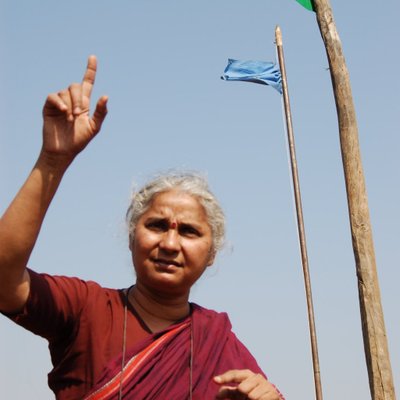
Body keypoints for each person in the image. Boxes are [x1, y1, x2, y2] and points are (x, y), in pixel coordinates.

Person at [0, 56, 284, 400]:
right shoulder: (88, 309)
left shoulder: (218, 341)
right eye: (157, 225)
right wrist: (52, 160)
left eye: (189, 232)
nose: (169, 243)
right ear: (133, 235)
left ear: (211, 253)